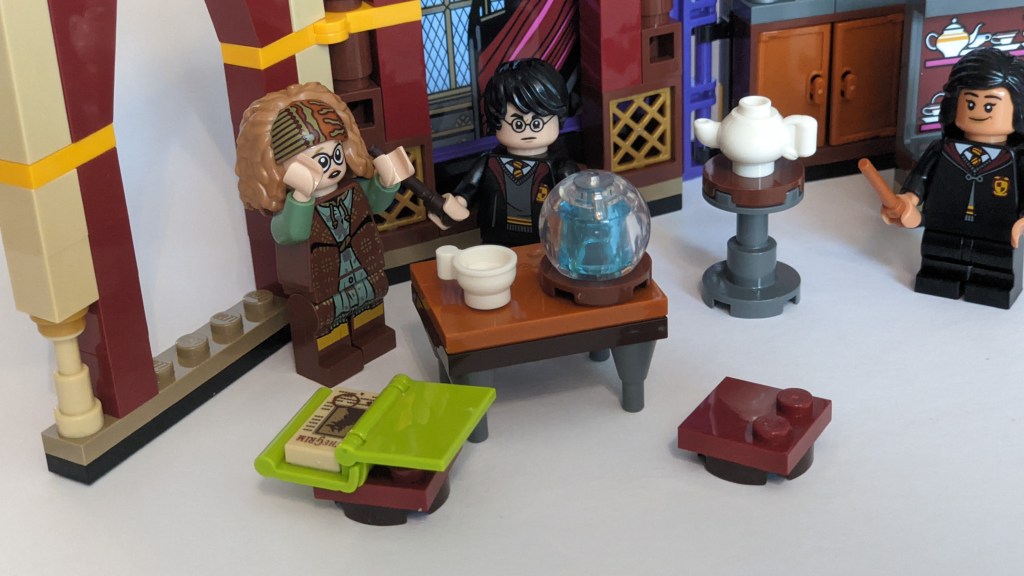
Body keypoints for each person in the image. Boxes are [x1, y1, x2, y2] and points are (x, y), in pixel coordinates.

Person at [235, 82, 413, 385]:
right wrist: (301, 197)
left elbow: (374, 202)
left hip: (362, 264)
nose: (331, 167)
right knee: (326, 316)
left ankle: (370, 334)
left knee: (369, 298)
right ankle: (331, 353)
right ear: (280, 168)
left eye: (336, 155)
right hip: (321, 277)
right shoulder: (293, 209)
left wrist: (387, 181)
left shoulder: (351, 188)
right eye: (319, 160)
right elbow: (291, 233)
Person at [881, 48, 1024, 309]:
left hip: (997, 227)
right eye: (970, 103)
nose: (978, 111)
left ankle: (992, 285)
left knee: (995, 262)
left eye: (990, 105)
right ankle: (940, 277)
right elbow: (921, 178)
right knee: (939, 253)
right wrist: (908, 200)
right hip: (945, 220)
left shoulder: (1016, 158)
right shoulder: (943, 149)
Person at [452, 58, 579, 246]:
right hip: (496, 240)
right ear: (496, 120)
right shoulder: (488, 162)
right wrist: (456, 203)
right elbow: (468, 190)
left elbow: (577, 200)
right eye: (518, 124)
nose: (528, 130)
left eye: (537, 123)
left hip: (545, 242)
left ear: (558, 116)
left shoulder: (560, 167)